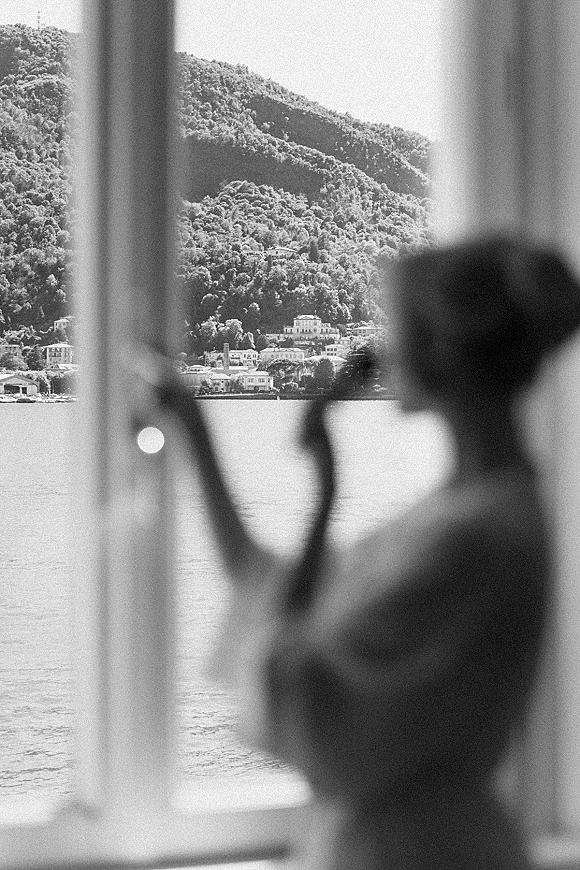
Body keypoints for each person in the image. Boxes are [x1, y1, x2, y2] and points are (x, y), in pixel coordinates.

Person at [133, 234, 580, 870]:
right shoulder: (470, 512)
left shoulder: (476, 535)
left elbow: (303, 697)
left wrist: (321, 500)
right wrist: (197, 437)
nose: (375, 349)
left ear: (437, 352)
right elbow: (281, 596)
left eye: (388, 325)